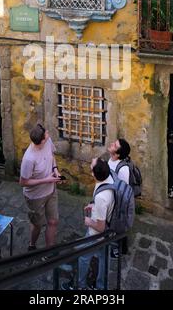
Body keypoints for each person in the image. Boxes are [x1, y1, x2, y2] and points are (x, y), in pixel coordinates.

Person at [62, 157, 115, 290]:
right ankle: (100, 286)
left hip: (96, 234)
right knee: (103, 258)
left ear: (93, 174)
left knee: (83, 258)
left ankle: (80, 286)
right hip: (108, 229)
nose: (90, 162)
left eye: (91, 164)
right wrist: (94, 206)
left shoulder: (101, 197)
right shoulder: (108, 179)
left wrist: (89, 221)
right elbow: (105, 206)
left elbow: (100, 227)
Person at [19, 123, 61, 250]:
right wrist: (46, 180)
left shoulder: (47, 142)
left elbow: (51, 156)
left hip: (51, 191)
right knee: (37, 225)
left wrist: (55, 169)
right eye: (46, 133)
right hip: (35, 197)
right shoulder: (29, 159)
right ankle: (32, 244)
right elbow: (23, 182)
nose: (48, 133)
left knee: (53, 221)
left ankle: (49, 250)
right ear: (41, 140)